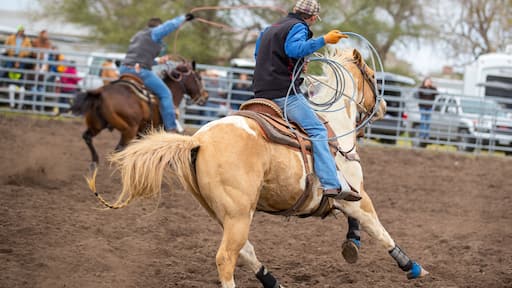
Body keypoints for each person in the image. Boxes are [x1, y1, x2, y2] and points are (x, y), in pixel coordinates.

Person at [252, 0, 360, 201]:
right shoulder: (298, 27)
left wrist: (297, 64)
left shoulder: (269, 29)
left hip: (259, 93)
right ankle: (331, 183)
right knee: (318, 130)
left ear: (295, 10)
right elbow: (294, 49)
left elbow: (259, 55)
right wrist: (324, 40)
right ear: (311, 18)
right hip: (284, 94)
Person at [119, 14, 195, 133]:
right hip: (140, 72)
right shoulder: (154, 33)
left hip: (124, 69)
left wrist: (158, 61)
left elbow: (140, 58)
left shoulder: (137, 36)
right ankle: (171, 128)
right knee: (166, 94)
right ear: (158, 27)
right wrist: (184, 18)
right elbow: (169, 26)